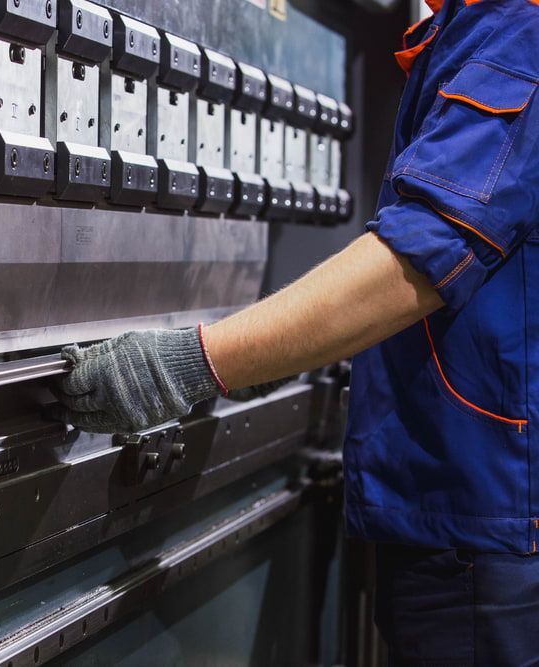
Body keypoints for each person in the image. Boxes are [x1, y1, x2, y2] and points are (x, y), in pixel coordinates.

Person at [50, 0, 539, 663]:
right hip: (463, 518)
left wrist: (193, 362)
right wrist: (279, 347)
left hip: (487, 529)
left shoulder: (519, 27)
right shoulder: (467, 33)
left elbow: (423, 257)